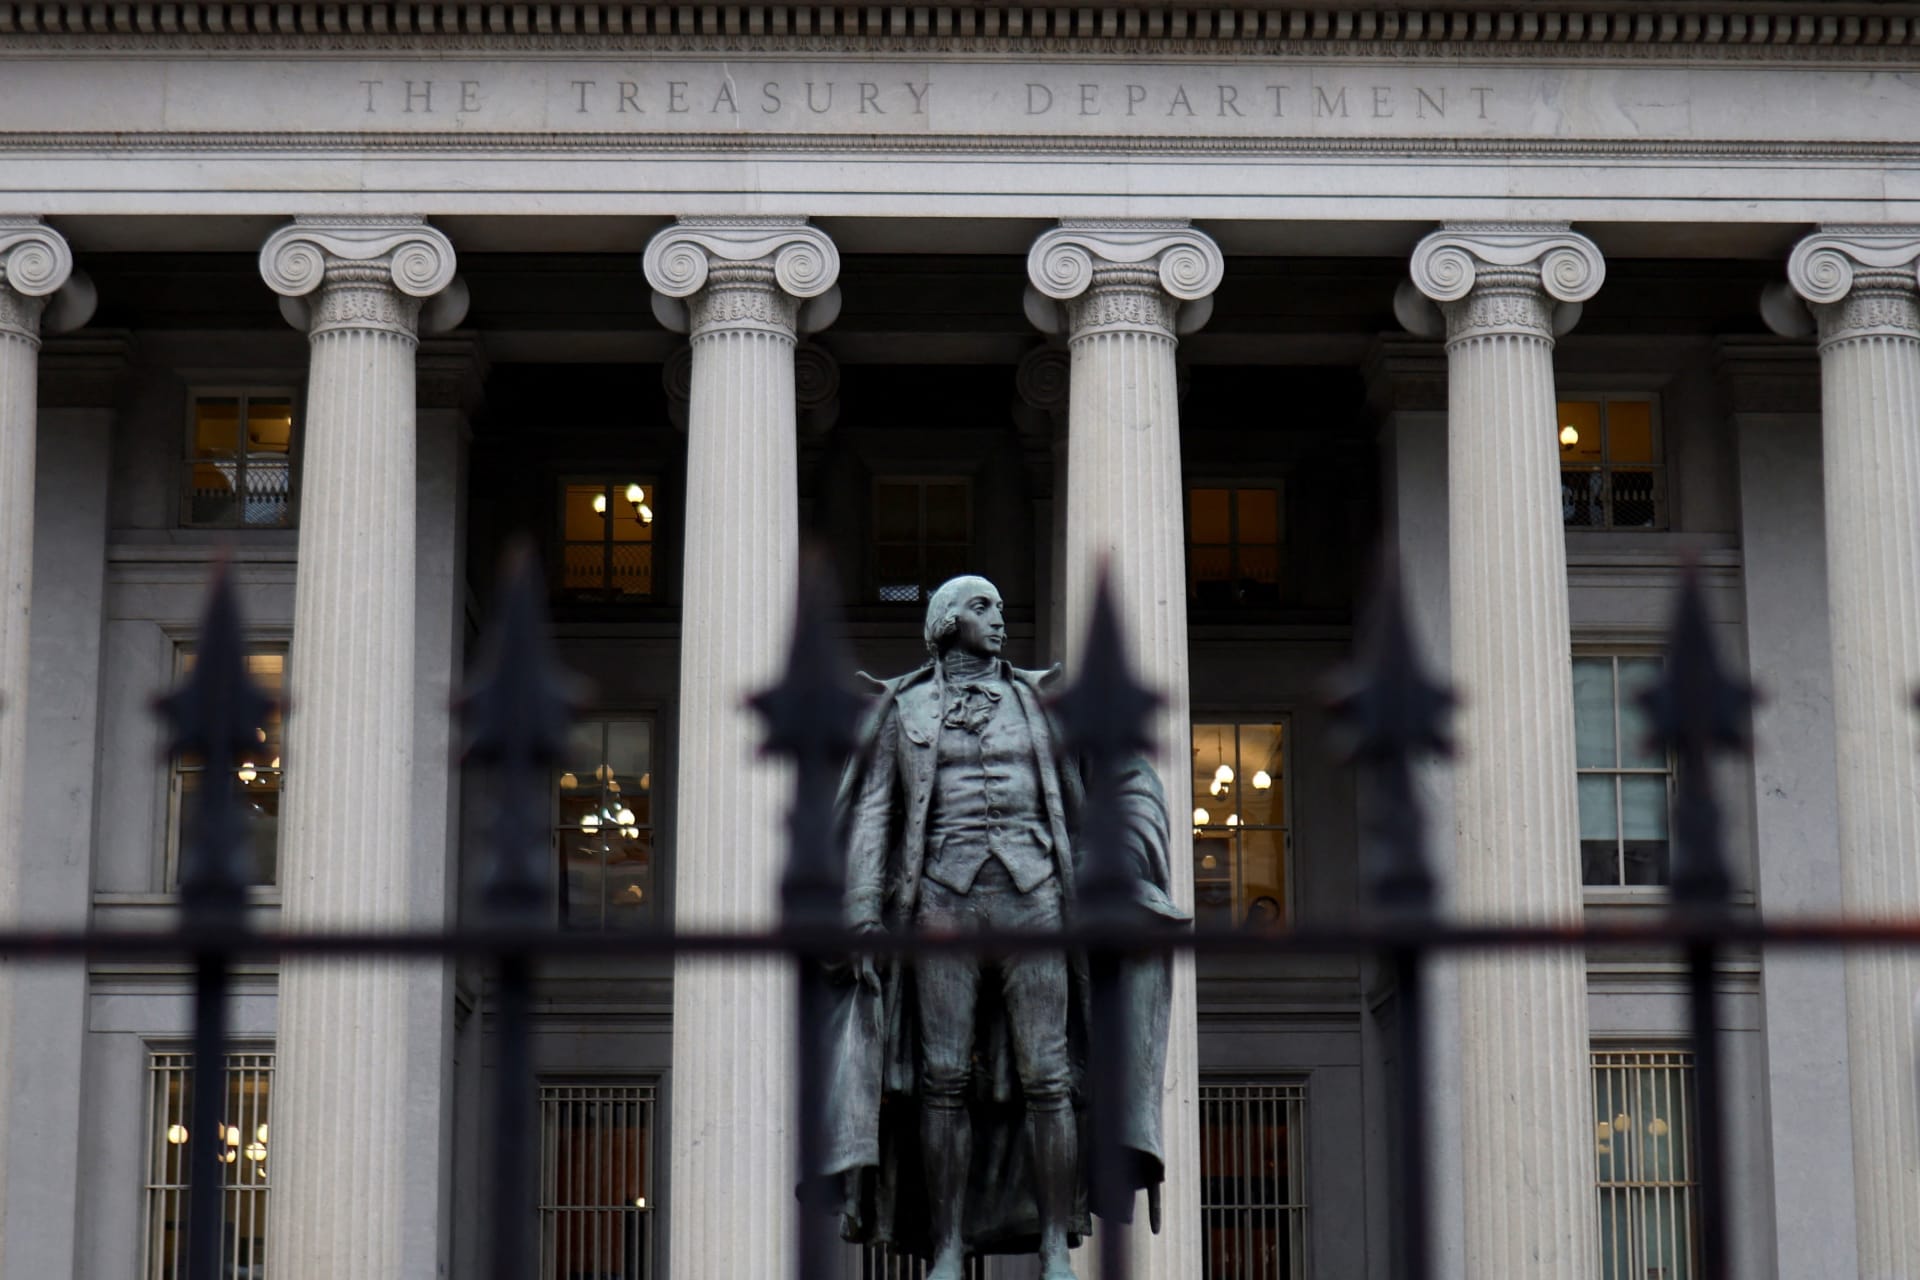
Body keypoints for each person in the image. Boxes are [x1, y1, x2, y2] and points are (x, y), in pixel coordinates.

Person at [821, 574, 1184, 1280]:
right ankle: (949, 1246)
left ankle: (1055, 1247)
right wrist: (863, 911)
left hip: (1036, 901)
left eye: (1001, 604)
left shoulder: (1042, 702)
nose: (1001, 618)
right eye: (984, 606)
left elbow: (1113, 776)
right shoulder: (905, 708)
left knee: (1049, 1077)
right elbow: (874, 815)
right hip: (940, 907)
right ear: (946, 620)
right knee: (943, 1079)